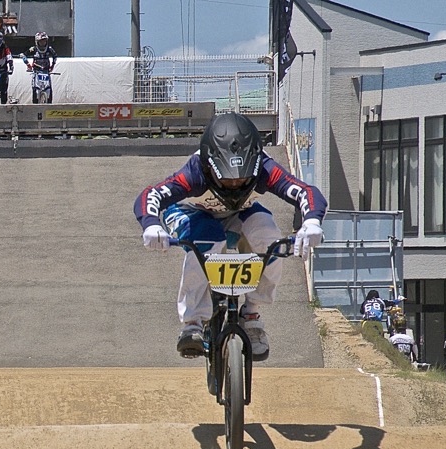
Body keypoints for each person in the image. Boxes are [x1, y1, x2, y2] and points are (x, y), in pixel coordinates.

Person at [134, 111, 328, 360]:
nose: (235, 185)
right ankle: (192, 325)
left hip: (241, 212)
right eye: (227, 180)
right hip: (192, 212)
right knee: (206, 240)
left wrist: (312, 222)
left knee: (272, 238)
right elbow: (152, 194)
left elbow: (306, 192)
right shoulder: (194, 171)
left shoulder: (266, 167)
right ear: (210, 166)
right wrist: (151, 225)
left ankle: (252, 314)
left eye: (243, 179)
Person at [23, 31, 57, 104]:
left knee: (48, 89)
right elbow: (24, 56)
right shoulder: (33, 49)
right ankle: (35, 104)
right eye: (41, 41)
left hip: (46, 71)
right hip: (36, 71)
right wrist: (28, 65)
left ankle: (49, 104)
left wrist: (52, 66)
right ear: (37, 42)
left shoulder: (49, 49)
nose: (43, 43)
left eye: (44, 41)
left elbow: (55, 56)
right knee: (36, 89)